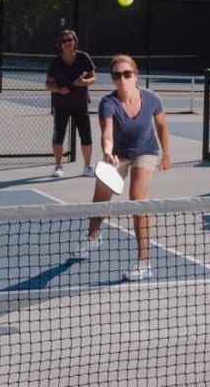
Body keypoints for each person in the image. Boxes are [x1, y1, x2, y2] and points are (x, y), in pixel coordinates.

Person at [72, 54, 173, 281]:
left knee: (137, 200)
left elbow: (162, 128)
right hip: (116, 156)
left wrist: (167, 154)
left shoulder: (153, 99)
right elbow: (107, 133)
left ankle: (144, 263)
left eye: (127, 74)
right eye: (117, 75)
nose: (122, 79)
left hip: (145, 152)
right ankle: (93, 236)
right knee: (100, 200)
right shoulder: (108, 103)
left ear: (135, 76)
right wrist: (107, 152)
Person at [45, 29, 97, 178]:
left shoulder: (83, 58)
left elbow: (93, 78)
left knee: (86, 136)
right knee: (58, 136)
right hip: (61, 104)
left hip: (80, 104)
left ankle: (87, 167)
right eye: (64, 41)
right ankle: (58, 166)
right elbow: (48, 84)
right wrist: (59, 89)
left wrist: (84, 82)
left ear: (75, 42)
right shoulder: (56, 62)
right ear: (60, 44)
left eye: (69, 40)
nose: (67, 43)